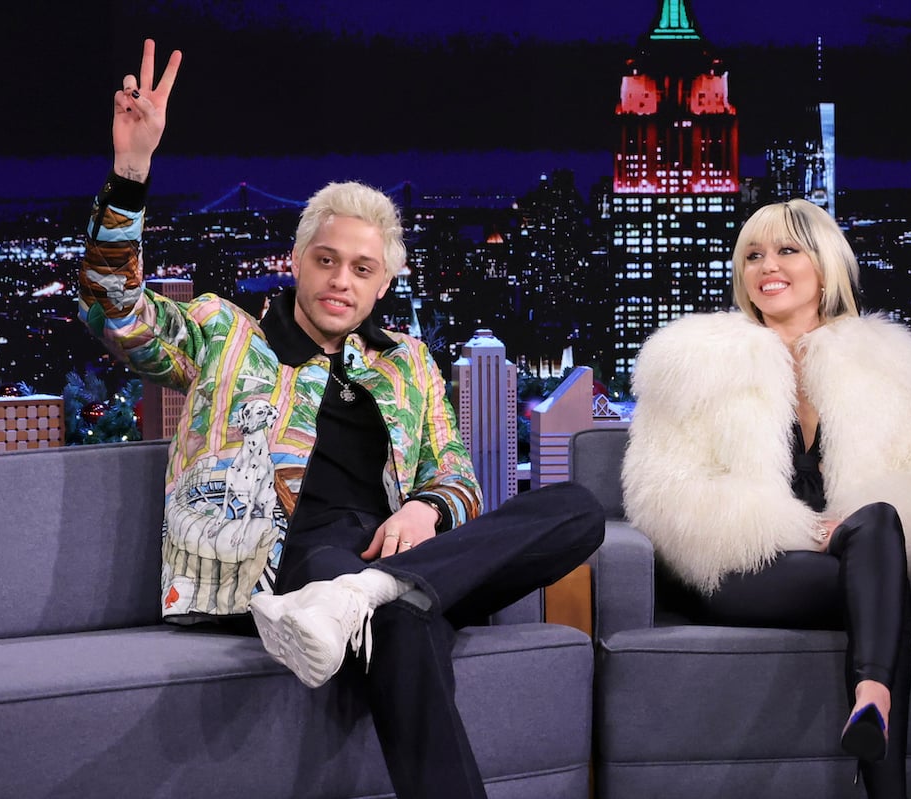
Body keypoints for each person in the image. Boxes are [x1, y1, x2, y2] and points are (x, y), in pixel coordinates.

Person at [80, 39, 604, 799]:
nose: (341, 280)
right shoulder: (226, 335)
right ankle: (369, 593)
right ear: (296, 261)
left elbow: (457, 475)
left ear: (384, 283)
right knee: (405, 622)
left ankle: (370, 592)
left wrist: (427, 509)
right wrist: (131, 171)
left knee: (579, 510)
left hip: (398, 551)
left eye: (363, 269)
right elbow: (115, 310)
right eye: (326, 260)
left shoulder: (409, 363)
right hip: (293, 551)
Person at [620, 198, 911, 798]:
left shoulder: (886, 364)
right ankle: (885, 764)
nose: (767, 266)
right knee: (882, 591)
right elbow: (662, 493)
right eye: (753, 255)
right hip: (746, 564)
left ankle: (871, 698)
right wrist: (801, 531)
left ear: (825, 264)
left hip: (858, 558)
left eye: (787, 250)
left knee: (881, 522)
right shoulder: (694, 362)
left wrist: (846, 532)